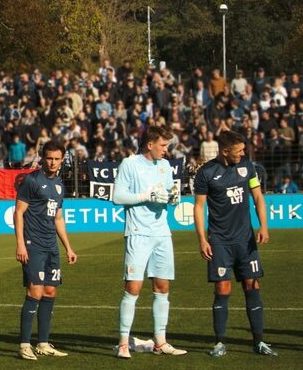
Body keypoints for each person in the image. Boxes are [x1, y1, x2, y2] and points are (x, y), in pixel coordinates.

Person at [193, 130, 276, 356]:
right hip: (219, 241)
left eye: (243, 150)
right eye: (238, 150)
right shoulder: (207, 172)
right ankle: (220, 342)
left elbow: (258, 196)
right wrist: (202, 239)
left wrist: (264, 226)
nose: (242, 153)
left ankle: (259, 342)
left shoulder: (247, 166)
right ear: (225, 151)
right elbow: (199, 207)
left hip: (245, 239)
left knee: (253, 286)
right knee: (223, 288)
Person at [112, 124, 186, 358]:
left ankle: (160, 341)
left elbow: (167, 194)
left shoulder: (164, 166)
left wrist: (173, 197)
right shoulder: (130, 164)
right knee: (133, 287)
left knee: (162, 287)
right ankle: (124, 342)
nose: (167, 150)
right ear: (150, 144)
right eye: (163, 145)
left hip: (162, 233)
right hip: (138, 233)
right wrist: (146, 195)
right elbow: (118, 197)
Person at [14, 140, 77, 360]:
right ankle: (23, 344)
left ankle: (42, 343)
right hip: (34, 245)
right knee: (35, 292)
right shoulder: (32, 180)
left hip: (51, 246)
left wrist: (68, 247)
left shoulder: (59, 184)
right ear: (43, 158)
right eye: (49, 158)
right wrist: (21, 243)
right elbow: (19, 212)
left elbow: (58, 217)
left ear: (62, 160)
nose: (52, 162)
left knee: (50, 292)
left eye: (57, 159)